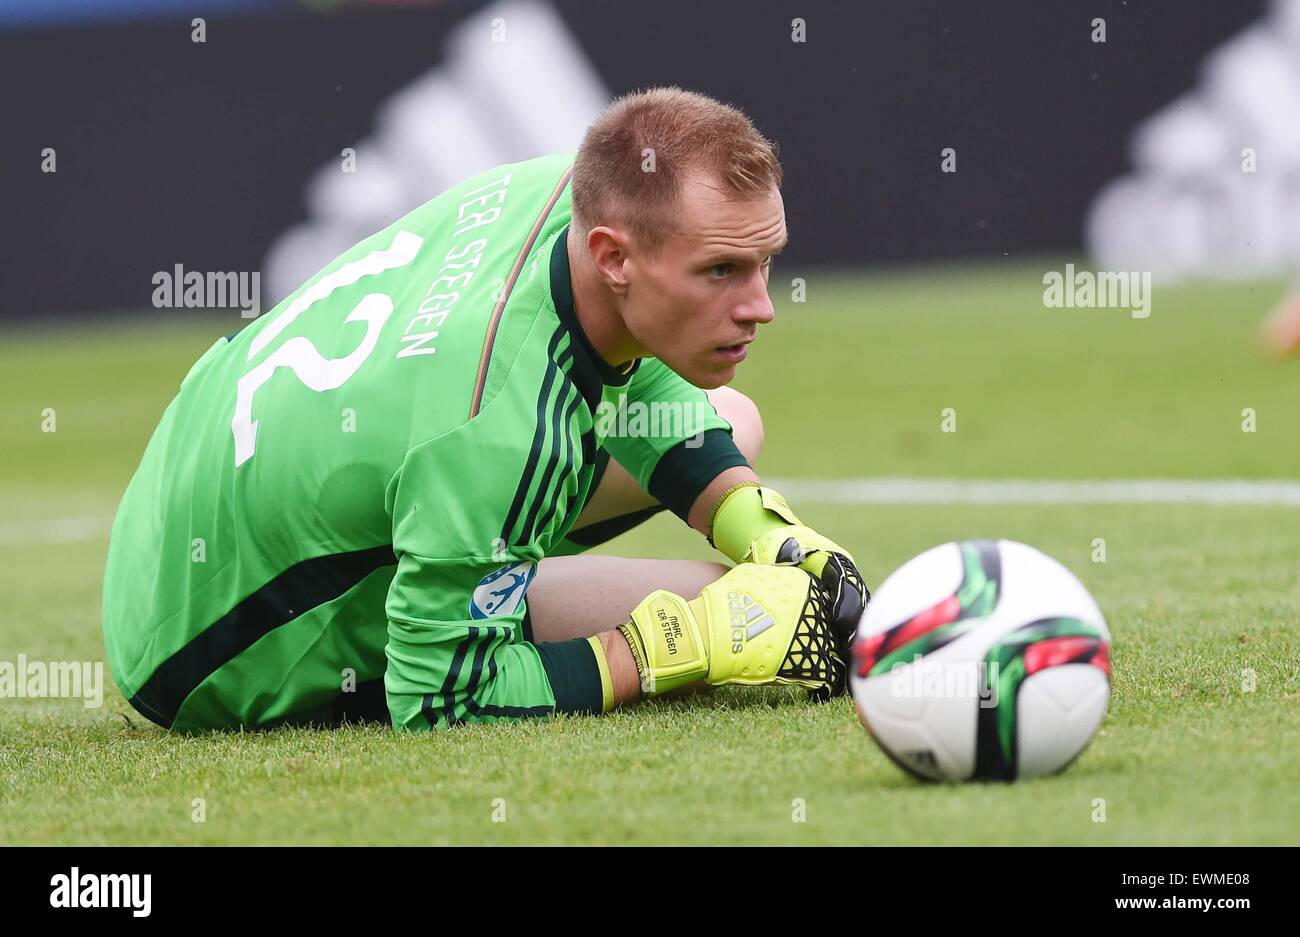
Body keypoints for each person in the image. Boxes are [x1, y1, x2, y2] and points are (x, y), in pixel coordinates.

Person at [102, 86, 867, 732]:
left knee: (730, 426)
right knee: (720, 604)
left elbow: (626, 360)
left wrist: (764, 526)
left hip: (187, 470)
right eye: (722, 270)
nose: (760, 306)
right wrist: (680, 643)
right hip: (190, 645)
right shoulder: (492, 428)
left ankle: (473, 558)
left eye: (765, 263)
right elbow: (437, 697)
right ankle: (471, 571)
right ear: (613, 256)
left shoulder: (560, 192)